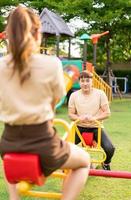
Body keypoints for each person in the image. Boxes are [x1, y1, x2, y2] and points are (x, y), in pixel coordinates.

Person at [0, 6, 90, 200]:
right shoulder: (51, 64)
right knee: (84, 161)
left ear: (8, 35)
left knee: (9, 161)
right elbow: (56, 99)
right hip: (42, 143)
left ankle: (13, 198)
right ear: (37, 33)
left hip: (8, 143)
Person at [68, 70, 115, 170]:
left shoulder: (100, 94)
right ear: (79, 82)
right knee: (65, 146)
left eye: (87, 81)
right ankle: (71, 164)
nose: (85, 83)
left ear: (92, 82)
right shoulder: (74, 95)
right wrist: (78, 118)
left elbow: (107, 113)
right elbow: (71, 114)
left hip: (95, 127)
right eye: (82, 81)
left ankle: (106, 163)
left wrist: (94, 118)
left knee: (110, 148)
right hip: (79, 127)